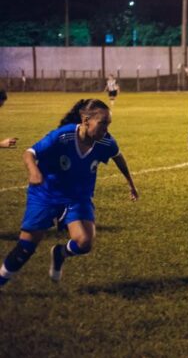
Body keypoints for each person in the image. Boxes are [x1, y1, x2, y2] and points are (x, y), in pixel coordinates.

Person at [0, 99, 138, 288]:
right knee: (25, 249)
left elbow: (117, 156)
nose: (106, 129)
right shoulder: (63, 136)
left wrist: (131, 183)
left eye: (108, 124)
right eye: (103, 123)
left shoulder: (105, 141)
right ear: (86, 119)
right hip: (46, 194)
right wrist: (34, 171)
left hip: (77, 198)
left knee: (84, 242)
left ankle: (60, 253)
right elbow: (29, 153)